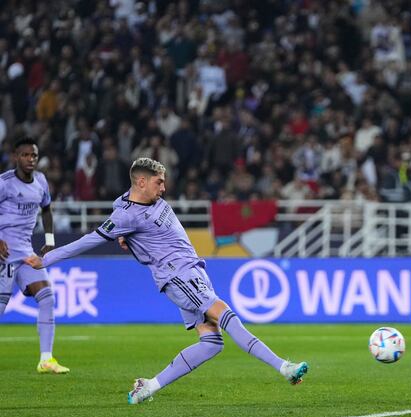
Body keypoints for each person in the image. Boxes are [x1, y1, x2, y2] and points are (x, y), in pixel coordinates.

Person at [25, 157, 308, 403]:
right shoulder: (127, 215)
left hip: (192, 271)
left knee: (211, 343)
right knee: (226, 314)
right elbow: (89, 240)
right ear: (141, 182)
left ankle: (148, 387)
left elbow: (123, 212)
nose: (163, 188)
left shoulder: (134, 203)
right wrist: (46, 259)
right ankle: (284, 367)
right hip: (178, 274)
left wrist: (127, 238)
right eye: (159, 182)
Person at [0, 137, 67, 374]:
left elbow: (46, 209)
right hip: (4, 255)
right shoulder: (4, 183)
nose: (30, 159)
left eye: (34, 155)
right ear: (16, 157)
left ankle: (46, 359)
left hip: (27, 254)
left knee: (47, 297)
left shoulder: (40, 181)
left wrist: (49, 240)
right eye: (26, 155)